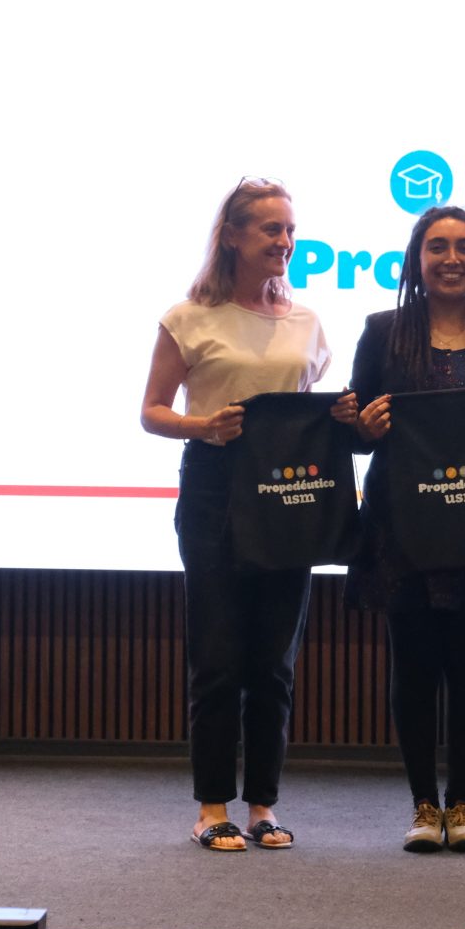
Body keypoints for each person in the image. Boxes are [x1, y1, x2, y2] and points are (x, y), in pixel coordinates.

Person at [140, 178, 358, 853]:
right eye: (270, 229)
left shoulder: (307, 322)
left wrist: (341, 415)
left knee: (274, 664)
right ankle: (212, 807)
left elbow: (304, 414)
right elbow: (152, 413)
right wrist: (203, 427)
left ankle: (263, 804)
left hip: (287, 496)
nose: (284, 242)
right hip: (214, 491)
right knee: (217, 659)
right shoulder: (188, 318)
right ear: (231, 236)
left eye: (290, 230)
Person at [347, 205, 465, 854]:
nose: (452, 258)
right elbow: (359, 433)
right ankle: (423, 806)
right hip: (404, 528)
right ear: (417, 258)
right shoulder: (383, 331)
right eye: (437, 247)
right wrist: (362, 427)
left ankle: (461, 804)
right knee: (413, 668)